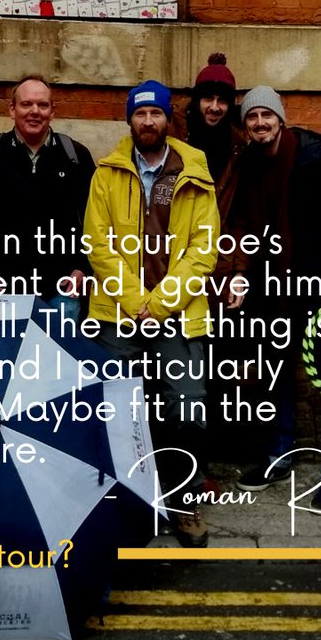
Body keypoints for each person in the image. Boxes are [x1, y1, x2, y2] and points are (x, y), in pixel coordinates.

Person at [84, 80, 220, 547]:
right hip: (120, 315)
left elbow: (204, 251)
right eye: (140, 115)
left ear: (168, 120)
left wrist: (158, 304)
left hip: (177, 314)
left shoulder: (195, 174)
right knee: (117, 411)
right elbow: (97, 244)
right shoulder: (107, 173)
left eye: (155, 114)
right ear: (130, 120)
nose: (148, 122)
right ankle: (126, 503)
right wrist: (134, 302)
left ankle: (184, 503)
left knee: (187, 408)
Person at [229, 86, 321, 514]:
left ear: (280, 119)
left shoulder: (317, 157)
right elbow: (243, 228)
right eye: (252, 117)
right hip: (274, 294)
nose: (259, 124)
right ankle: (278, 456)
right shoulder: (249, 164)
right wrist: (240, 275)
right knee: (276, 380)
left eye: (266, 116)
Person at [0, 75, 95, 313]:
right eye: (26, 104)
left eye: (42, 105)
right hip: (2, 288)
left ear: (52, 111)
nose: (34, 111)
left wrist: (81, 269)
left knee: (59, 351)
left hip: (61, 289)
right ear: (12, 109)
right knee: (2, 351)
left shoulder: (75, 155)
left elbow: (94, 219)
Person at [185, 52, 247, 225]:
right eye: (208, 98)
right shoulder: (177, 137)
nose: (214, 107)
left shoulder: (238, 147)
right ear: (197, 101)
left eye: (222, 101)